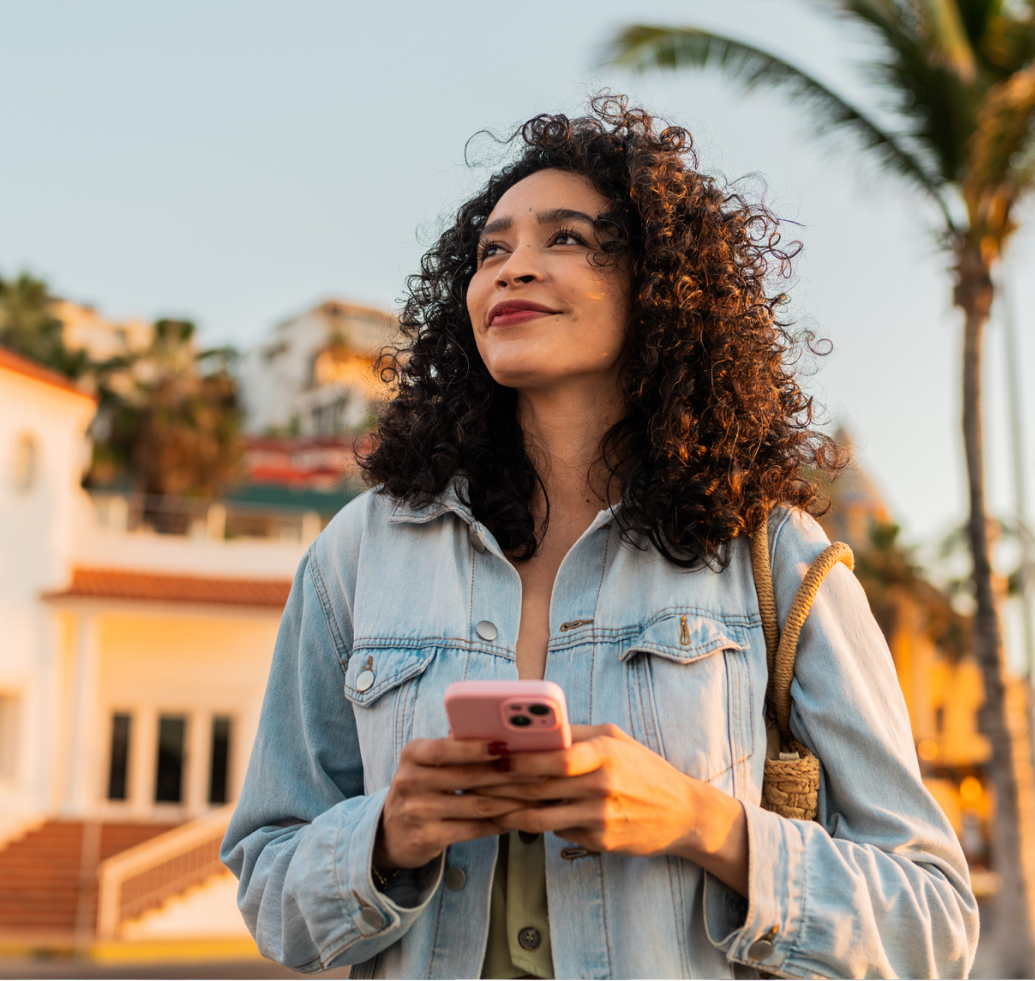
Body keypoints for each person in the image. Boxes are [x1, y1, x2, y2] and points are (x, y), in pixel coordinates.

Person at [221, 96, 978, 979]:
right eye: (490, 250)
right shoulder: (359, 553)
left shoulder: (774, 555)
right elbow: (271, 891)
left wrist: (702, 824)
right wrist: (385, 836)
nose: (512, 269)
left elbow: (932, 922)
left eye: (567, 239)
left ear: (657, 285)